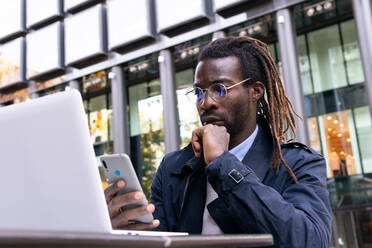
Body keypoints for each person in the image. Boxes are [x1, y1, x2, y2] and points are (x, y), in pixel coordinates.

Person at [104, 36, 332, 247]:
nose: (206, 103)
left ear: (255, 91)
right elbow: (159, 240)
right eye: (199, 92)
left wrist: (223, 163)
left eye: (220, 89)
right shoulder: (173, 167)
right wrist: (124, 232)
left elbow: (310, 240)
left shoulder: (298, 163)